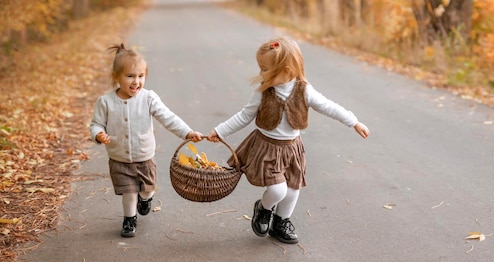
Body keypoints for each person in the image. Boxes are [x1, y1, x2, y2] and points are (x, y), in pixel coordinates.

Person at [207, 37, 369, 244]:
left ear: (286, 70)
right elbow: (244, 116)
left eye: (265, 69)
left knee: (293, 188)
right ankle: (264, 208)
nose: (260, 74)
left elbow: (329, 106)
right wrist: (219, 131)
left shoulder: (304, 90)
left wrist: (353, 122)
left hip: (292, 149)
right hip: (267, 148)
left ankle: (281, 221)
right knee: (277, 189)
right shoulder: (262, 93)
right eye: (260, 68)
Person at [90, 43, 202, 237]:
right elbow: (96, 124)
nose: (136, 82)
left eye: (141, 76)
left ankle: (146, 199)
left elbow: (168, 117)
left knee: (146, 190)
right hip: (119, 158)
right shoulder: (106, 102)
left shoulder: (148, 98)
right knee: (129, 192)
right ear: (116, 77)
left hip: (144, 157)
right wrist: (99, 134)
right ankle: (129, 220)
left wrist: (187, 132)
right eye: (130, 76)